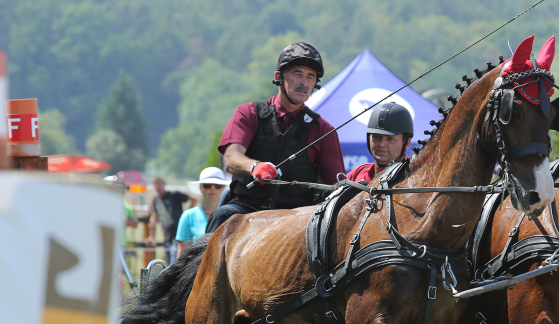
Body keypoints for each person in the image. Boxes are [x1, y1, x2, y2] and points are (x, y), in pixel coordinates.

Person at [205, 41, 345, 234]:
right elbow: (231, 159)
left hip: (296, 220)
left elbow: (336, 186)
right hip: (246, 210)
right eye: (297, 74)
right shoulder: (249, 113)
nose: (304, 82)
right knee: (221, 215)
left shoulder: (324, 131)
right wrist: (254, 167)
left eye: (310, 77)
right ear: (279, 77)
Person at [347, 102, 414, 183]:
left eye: (390, 139)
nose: (381, 144)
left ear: (407, 143)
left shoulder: (414, 179)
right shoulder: (356, 174)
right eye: (376, 137)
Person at [174, 167, 227, 258]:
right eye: (207, 185)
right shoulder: (188, 216)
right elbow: (181, 254)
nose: (212, 189)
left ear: (223, 188)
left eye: (217, 185)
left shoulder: (231, 216)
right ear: (200, 187)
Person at [145, 176, 197, 265]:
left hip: (179, 236)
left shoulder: (174, 194)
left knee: (177, 262)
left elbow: (193, 199)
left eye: (160, 184)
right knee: (170, 263)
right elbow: (153, 216)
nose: (158, 187)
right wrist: (151, 236)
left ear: (164, 184)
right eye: (156, 185)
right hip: (167, 237)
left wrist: (186, 215)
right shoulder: (156, 199)